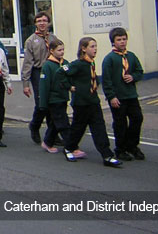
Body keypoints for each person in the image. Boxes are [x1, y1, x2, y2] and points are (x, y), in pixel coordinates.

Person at [59, 37, 122, 167]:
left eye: (95, 46)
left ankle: (107, 155)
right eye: (92, 47)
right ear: (83, 48)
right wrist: (69, 86)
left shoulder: (91, 63)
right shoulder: (78, 64)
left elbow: (91, 78)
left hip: (93, 101)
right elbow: (60, 72)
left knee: (99, 128)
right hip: (81, 103)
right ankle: (68, 148)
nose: (95, 49)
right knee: (78, 128)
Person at [101, 27, 145, 161]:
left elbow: (139, 71)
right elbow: (106, 80)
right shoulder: (109, 59)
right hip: (118, 97)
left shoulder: (130, 56)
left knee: (137, 118)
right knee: (120, 124)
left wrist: (133, 77)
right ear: (113, 42)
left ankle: (132, 145)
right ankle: (120, 149)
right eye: (119, 40)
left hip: (131, 95)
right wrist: (111, 96)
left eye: (124, 39)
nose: (122, 42)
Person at [21, 11, 58, 145]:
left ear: (48, 23)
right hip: (38, 72)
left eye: (44, 20)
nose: (42, 23)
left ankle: (53, 133)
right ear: (35, 23)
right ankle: (34, 126)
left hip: (53, 72)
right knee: (41, 103)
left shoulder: (53, 39)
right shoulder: (31, 41)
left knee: (53, 103)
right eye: (39, 21)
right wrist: (25, 83)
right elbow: (27, 63)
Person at [38, 39, 74, 158]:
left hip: (63, 97)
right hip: (54, 99)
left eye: (63, 49)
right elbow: (44, 86)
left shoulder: (65, 63)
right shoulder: (48, 65)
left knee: (55, 122)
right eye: (59, 50)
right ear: (51, 51)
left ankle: (47, 142)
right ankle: (72, 145)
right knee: (63, 123)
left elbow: (69, 77)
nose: (62, 52)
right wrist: (43, 103)